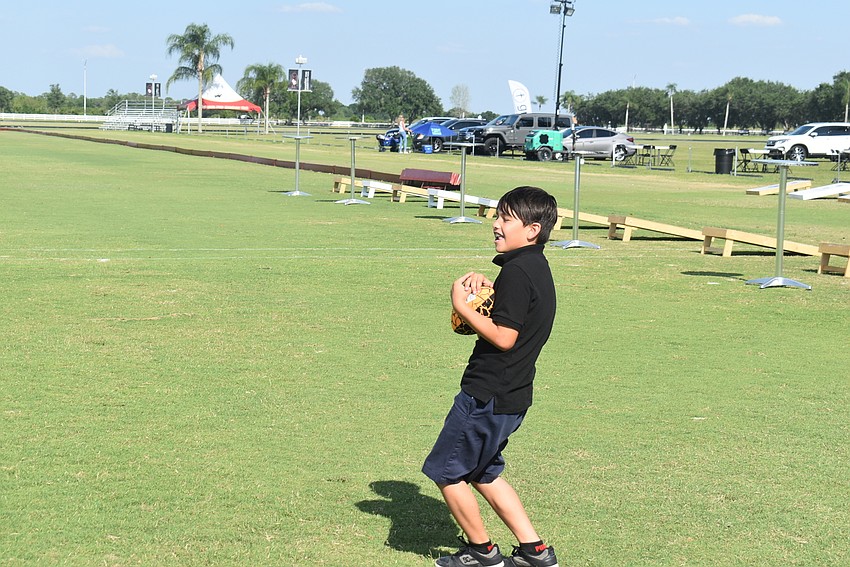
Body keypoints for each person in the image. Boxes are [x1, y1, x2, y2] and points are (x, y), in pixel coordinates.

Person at [423, 186, 561, 567]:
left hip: (487, 394)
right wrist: (486, 293)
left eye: (505, 218)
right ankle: (535, 552)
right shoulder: (533, 266)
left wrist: (460, 307)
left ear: (532, 230)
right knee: (483, 471)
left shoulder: (518, 272)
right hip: (513, 394)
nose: (495, 224)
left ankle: (482, 552)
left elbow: (504, 337)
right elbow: (512, 316)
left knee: (446, 472)